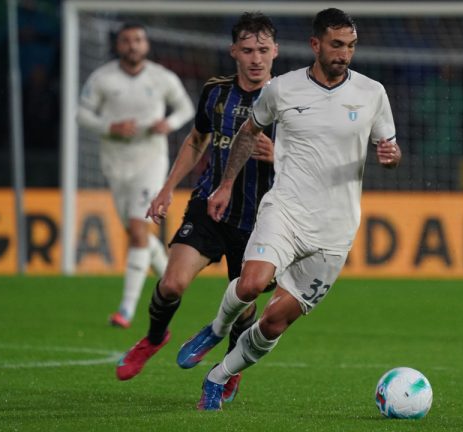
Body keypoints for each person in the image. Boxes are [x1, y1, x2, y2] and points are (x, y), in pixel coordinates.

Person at [177, 8, 402, 411]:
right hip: (286, 210)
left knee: (274, 322)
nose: (344, 54)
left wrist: (391, 154)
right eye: (336, 45)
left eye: (350, 46)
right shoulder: (282, 89)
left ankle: (219, 376)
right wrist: (226, 184)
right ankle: (215, 328)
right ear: (315, 44)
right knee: (250, 285)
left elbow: (390, 147)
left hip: (335, 231)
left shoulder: (372, 93)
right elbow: (249, 133)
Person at [114, 12, 279, 404]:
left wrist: (279, 154)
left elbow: (310, 158)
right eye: (247, 50)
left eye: (262, 50)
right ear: (233, 52)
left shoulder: (289, 101)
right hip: (209, 206)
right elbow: (196, 139)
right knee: (171, 284)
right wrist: (166, 189)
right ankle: (154, 338)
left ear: (274, 51)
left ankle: (229, 371)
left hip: (261, 219)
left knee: (242, 307)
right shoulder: (216, 92)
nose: (256, 59)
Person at [77, 22, 196, 328]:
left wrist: (168, 125)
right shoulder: (103, 78)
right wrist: (110, 127)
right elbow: (82, 114)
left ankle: (126, 310)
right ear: (118, 46)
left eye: (138, 40)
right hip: (116, 164)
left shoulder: (161, 77)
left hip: (151, 161)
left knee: (138, 229)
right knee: (136, 234)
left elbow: (185, 108)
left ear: (146, 45)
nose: (133, 45)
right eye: (127, 40)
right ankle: (171, 282)